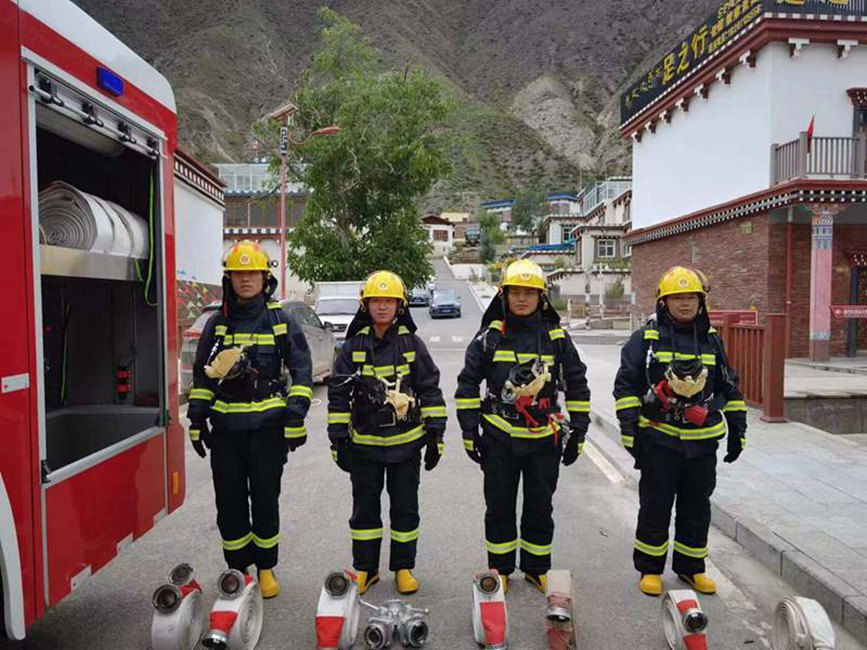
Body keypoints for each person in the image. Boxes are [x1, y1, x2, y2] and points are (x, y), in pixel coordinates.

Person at [455, 259, 591, 593]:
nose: (521, 299)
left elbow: (576, 383)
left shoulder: (556, 338)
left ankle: (536, 568)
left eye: (529, 293)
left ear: (541, 298)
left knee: (540, 507)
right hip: (498, 438)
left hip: (543, 439)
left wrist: (580, 429)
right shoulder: (489, 338)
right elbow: (467, 383)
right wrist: (470, 431)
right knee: (499, 506)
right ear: (504, 295)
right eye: (515, 292)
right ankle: (500, 569)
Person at [187, 240, 313, 598]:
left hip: (267, 431)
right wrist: (196, 420)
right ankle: (238, 569)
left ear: (264, 278)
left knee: (265, 500)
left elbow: (302, 371)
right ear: (229, 279)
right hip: (226, 432)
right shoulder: (218, 323)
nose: (245, 280)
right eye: (238, 274)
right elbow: (202, 376)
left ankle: (266, 568)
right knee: (229, 504)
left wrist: (295, 417)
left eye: (252, 273)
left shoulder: (280, 321)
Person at [613, 266, 747, 597]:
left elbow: (728, 387)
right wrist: (629, 429)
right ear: (664, 302)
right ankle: (650, 569)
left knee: (697, 507)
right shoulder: (646, 340)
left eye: (691, 298)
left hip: (702, 444)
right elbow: (626, 386)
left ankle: (691, 568)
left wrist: (737, 429)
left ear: (701, 302)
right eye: (677, 298)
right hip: (659, 441)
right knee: (655, 506)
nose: (685, 304)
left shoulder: (712, 341)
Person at [327, 270, 447, 595]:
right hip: (364, 447)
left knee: (405, 509)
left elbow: (430, 389)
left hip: (406, 448)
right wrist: (338, 439)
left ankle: (403, 568)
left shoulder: (412, 345)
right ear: (365, 305)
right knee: (364, 511)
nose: (382, 306)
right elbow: (338, 395)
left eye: (388, 301)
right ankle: (366, 570)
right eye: (375, 300)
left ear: (400, 305)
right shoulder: (352, 347)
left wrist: (436, 435)